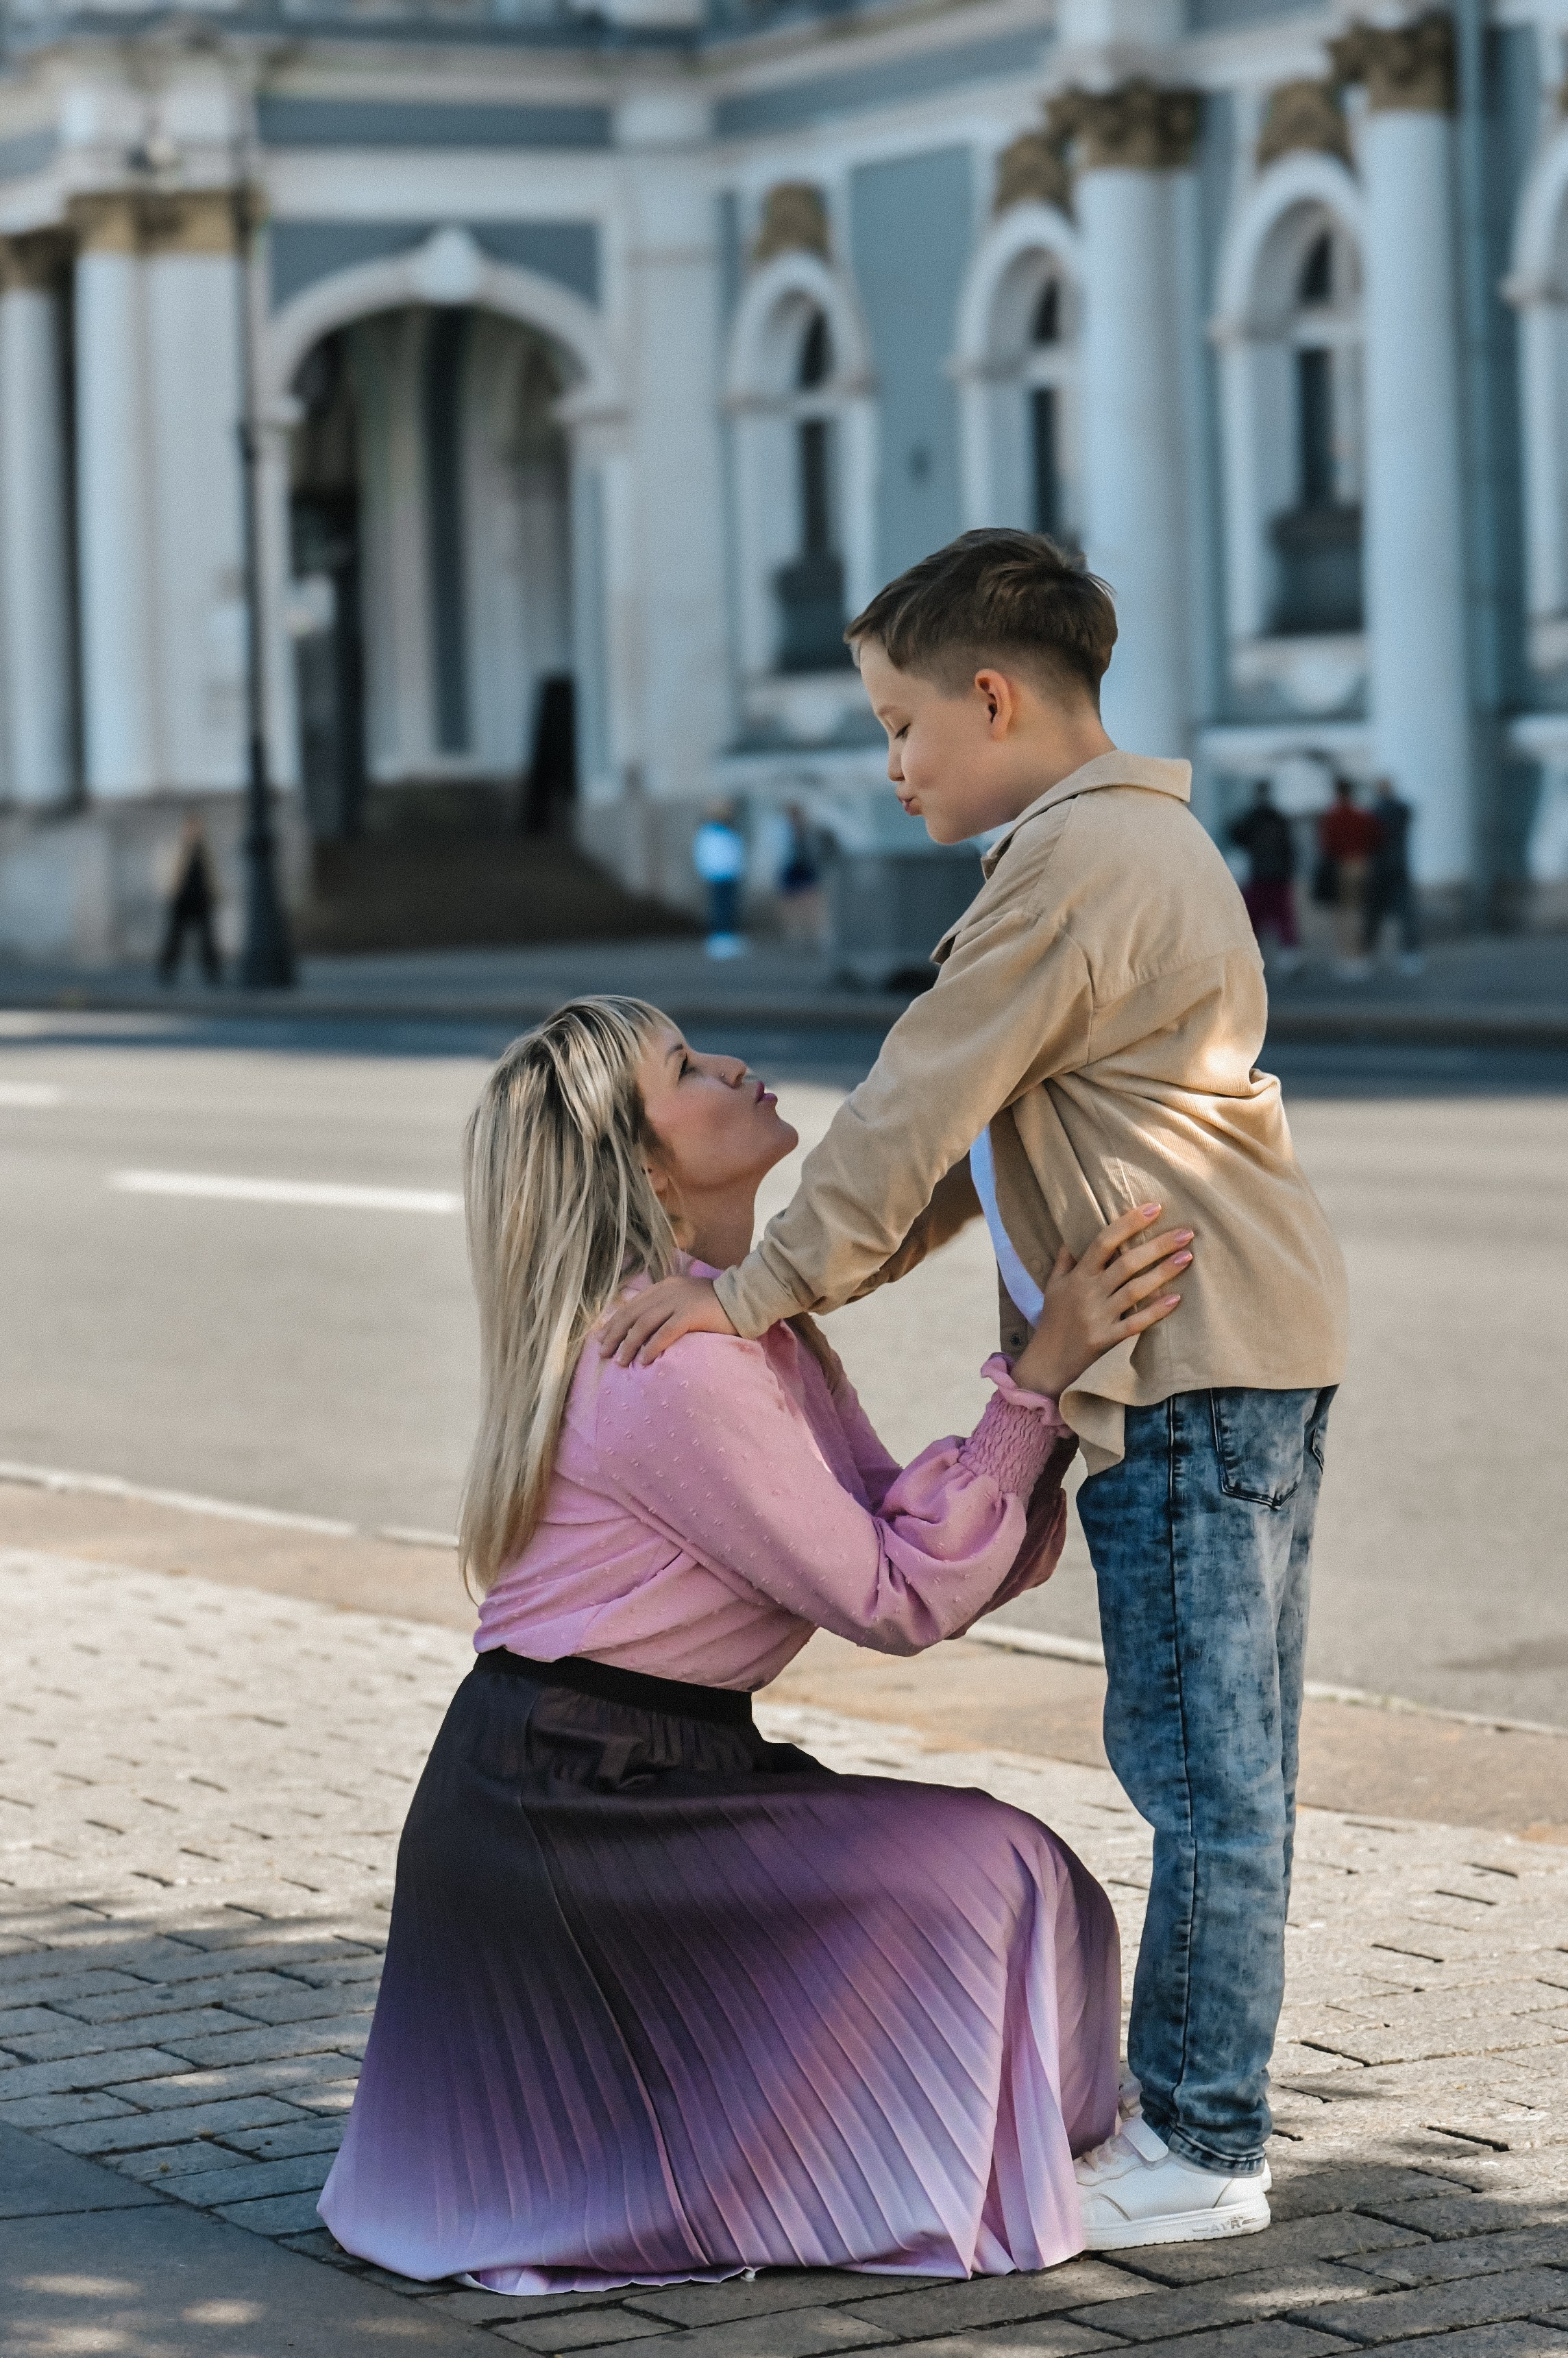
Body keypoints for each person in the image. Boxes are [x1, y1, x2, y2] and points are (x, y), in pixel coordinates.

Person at [602, 529, 1347, 2251]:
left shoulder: (1059, 866)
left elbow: (905, 1105)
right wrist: (800, 1282)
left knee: (1198, 1772)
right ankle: (1200, 2120)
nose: (888, 763)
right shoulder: (1137, 840)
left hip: (1187, 1363)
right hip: (1242, 1348)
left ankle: (1202, 2140)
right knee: (1226, 1762)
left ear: (990, 697)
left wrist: (748, 1295)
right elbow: (970, 1149)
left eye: (897, 723)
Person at [321, 995, 1198, 2289]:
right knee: (983, 1871)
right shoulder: (671, 1368)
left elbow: (909, 1543)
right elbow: (896, 1596)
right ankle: (890, 2179)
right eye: (684, 1068)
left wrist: (1036, 1381)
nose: (732, 1062)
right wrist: (1038, 1382)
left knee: (1030, 1874)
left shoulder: (749, 1334)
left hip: (658, 1771)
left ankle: (974, 2163)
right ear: (645, 1167)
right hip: (561, 1811)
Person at [1228, 781, 1300, 973]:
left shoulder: (1252, 817)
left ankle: (1252, 959)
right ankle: (1289, 957)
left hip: (1259, 874)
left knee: (1254, 918)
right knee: (1283, 917)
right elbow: (1290, 848)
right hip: (1279, 876)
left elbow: (1237, 836)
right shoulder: (1280, 818)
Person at [1315, 777, 1381, 980]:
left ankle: (1346, 957)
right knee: (1359, 911)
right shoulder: (1361, 815)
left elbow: (1326, 844)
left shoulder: (1333, 816)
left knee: (1343, 914)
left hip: (1341, 865)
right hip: (1361, 863)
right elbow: (1376, 838)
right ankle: (1360, 956)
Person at [1362, 777, 1423, 975]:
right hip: (1398, 866)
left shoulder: (1374, 813)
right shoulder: (1402, 809)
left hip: (1380, 867)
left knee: (1374, 915)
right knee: (1405, 915)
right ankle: (1409, 955)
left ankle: (1367, 955)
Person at [157, 815, 221, 987]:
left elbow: (212, 875)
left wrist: (214, 895)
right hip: (183, 900)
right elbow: (172, 873)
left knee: (207, 939)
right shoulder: (180, 848)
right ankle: (166, 972)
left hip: (201, 899)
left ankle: (214, 973)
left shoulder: (205, 850)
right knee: (175, 938)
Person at [693, 802, 747, 958]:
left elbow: (735, 851)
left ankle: (728, 937)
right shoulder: (708, 832)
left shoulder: (729, 831)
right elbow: (703, 854)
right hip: (717, 875)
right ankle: (719, 939)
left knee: (729, 907)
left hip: (730, 874)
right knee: (719, 908)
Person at [777, 801, 826, 947]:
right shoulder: (784, 830)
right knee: (793, 901)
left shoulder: (807, 830)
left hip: (804, 866)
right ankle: (796, 932)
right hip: (791, 867)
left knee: (809, 899)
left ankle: (812, 931)